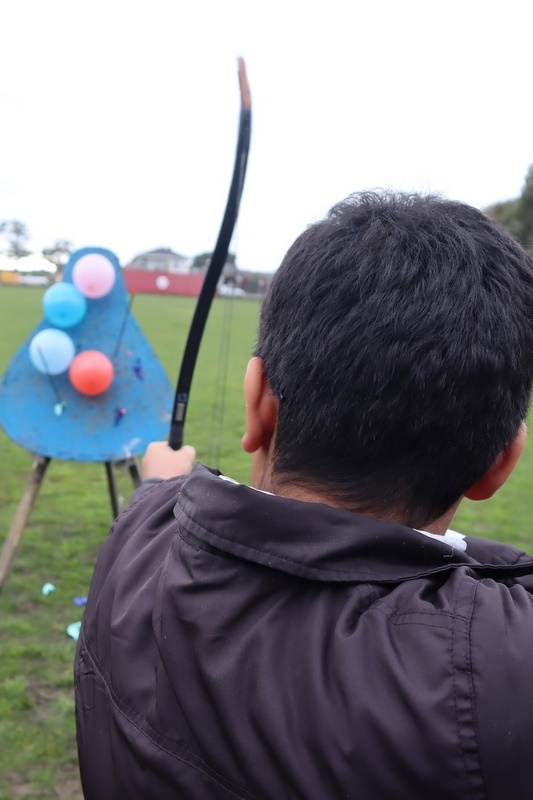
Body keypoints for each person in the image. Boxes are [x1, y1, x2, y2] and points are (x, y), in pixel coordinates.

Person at [75, 191, 533, 800]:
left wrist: (162, 481)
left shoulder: (142, 529)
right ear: (498, 465)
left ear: (259, 402)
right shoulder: (502, 667)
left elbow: (164, 499)